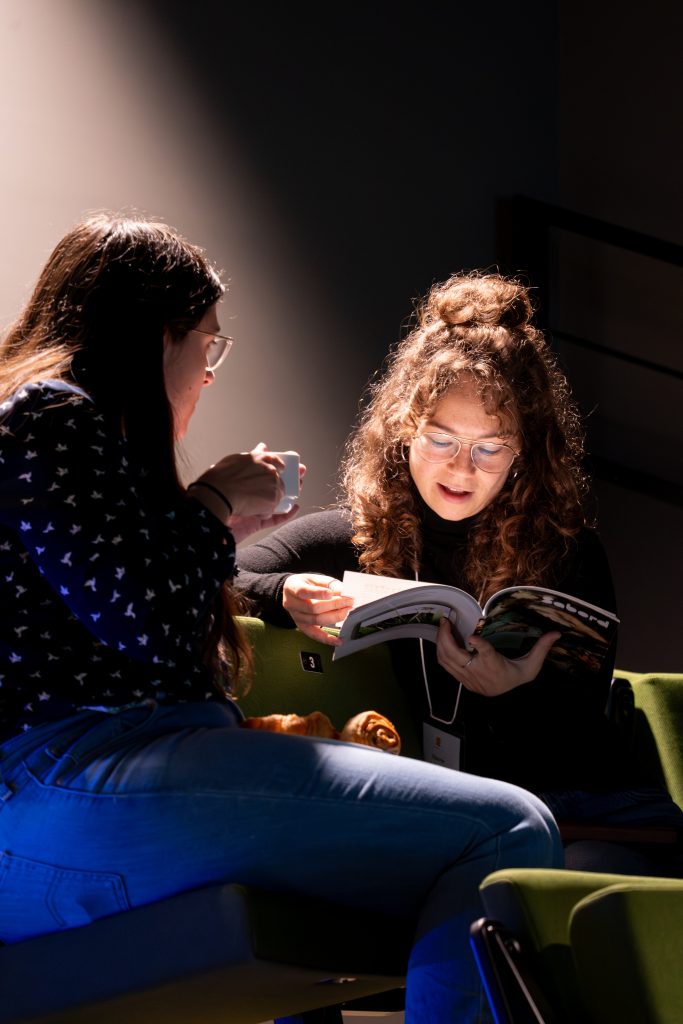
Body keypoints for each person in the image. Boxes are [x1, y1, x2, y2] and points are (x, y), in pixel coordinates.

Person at [0, 215, 562, 1024]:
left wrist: (211, 530)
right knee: (508, 826)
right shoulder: (53, 413)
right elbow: (144, 619)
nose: (209, 370)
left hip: (84, 785)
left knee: (336, 891)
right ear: (158, 337)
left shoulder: (73, 432)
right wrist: (213, 502)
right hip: (69, 784)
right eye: (208, 342)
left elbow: (123, 601)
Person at [237, 270, 683, 877]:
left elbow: (580, 727)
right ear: (404, 430)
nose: (461, 469)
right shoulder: (362, 534)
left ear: (524, 451)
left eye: (490, 447)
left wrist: (513, 689)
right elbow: (221, 572)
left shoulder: (568, 551)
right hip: (463, 814)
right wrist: (282, 591)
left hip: (589, 807)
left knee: (561, 879)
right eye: (440, 440)